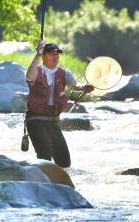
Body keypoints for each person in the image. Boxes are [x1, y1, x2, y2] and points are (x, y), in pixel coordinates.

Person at [25, 40, 94, 168]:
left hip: (53, 121)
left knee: (64, 162)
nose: (55, 57)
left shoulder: (64, 73)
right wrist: (38, 54)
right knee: (45, 156)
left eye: (57, 54)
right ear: (44, 56)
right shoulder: (37, 70)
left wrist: (85, 87)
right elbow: (29, 77)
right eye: (51, 54)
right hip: (35, 119)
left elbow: (75, 85)